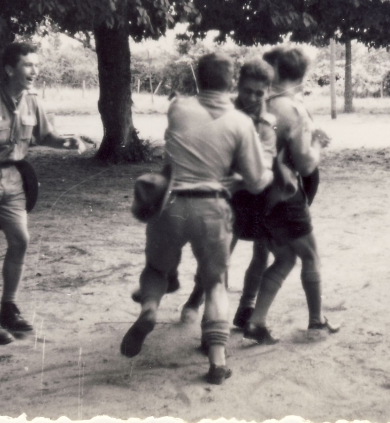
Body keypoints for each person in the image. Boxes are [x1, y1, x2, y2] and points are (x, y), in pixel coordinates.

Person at [121, 53, 273, 385]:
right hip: (211, 207)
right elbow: (257, 181)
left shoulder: (178, 107)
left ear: (198, 80)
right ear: (231, 83)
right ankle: (217, 360)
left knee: (157, 270)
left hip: (171, 204)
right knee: (216, 282)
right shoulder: (241, 123)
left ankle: (148, 309)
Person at [0, 42, 86, 345]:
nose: (34, 71)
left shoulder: (32, 101)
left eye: (37, 65)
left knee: (21, 240)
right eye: (28, 65)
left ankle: (8, 308)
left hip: (13, 179)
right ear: (10, 69)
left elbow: (46, 136)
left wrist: (66, 142)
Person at [243, 46, 338, 344]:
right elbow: (305, 162)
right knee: (310, 257)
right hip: (285, 194)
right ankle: (316, 324)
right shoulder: (292, 109)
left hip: (258, 196)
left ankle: (256, 323)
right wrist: (319, 143)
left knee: (284, 259)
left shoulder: (257, 105)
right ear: (300, 75)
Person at [179, 59, 277, 329]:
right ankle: (195, 300)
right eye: (248, 90)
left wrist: (241, 176)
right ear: (237, 86)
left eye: (260, 92)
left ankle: (246, 307)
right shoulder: (223, 111)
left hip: (258, 193)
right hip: (228, 196)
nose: (253, 97)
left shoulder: (268, 122)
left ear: (268, 91)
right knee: (219, 254)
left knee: (262, 250)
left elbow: (266, 161)